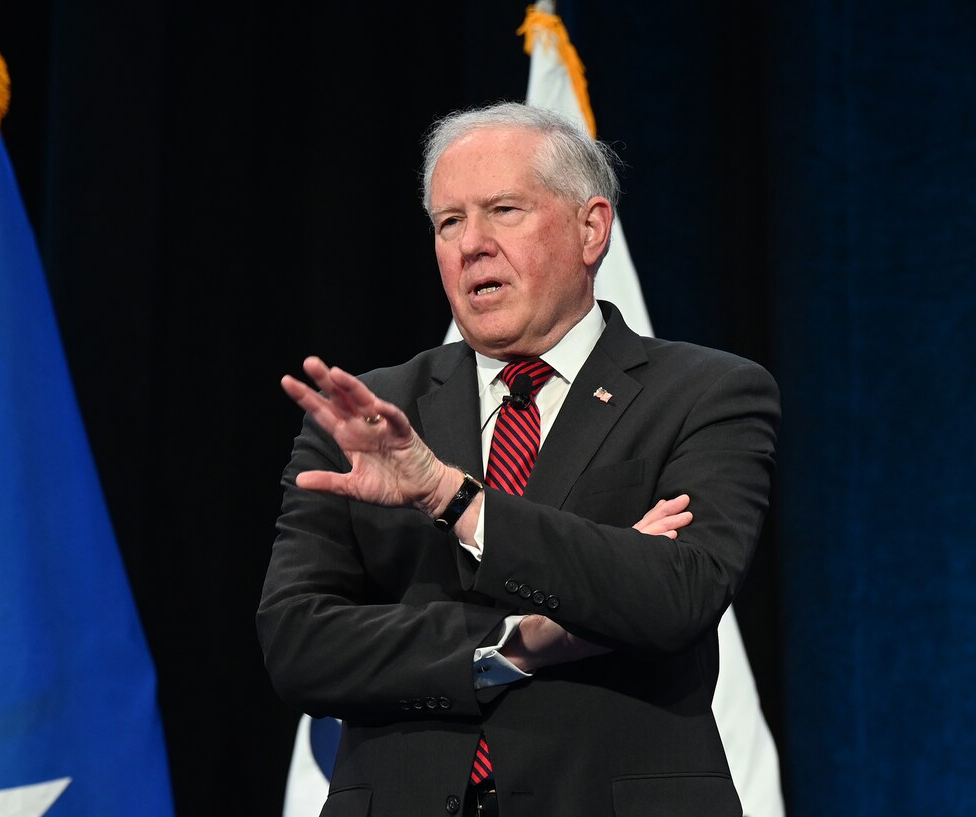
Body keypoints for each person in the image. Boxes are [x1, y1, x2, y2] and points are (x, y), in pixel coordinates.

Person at [257, 101, 780, 817]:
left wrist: (455, 498)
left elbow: (673, 597)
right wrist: (515, 642)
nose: (472, 244)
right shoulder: (367, 415)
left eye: (504, 210)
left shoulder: (707, 393)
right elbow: (298, 644)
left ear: (590, 228)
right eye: (448, 221)